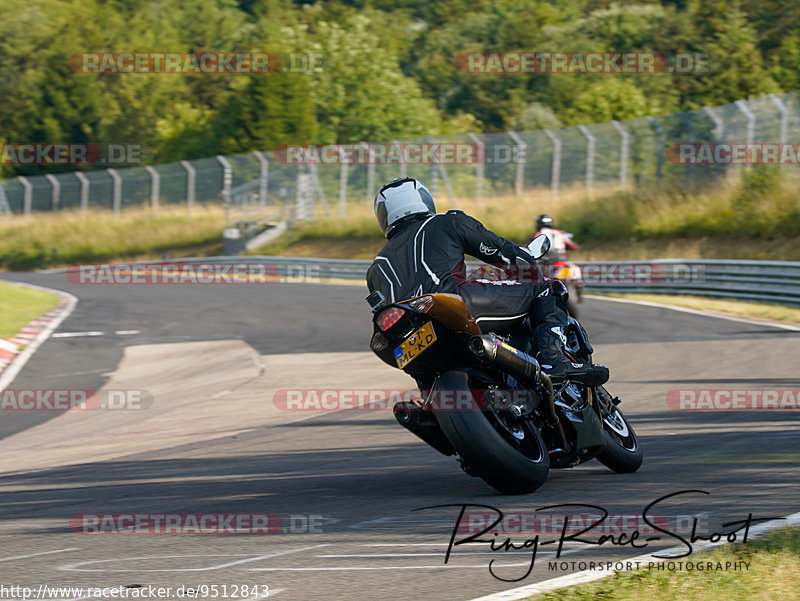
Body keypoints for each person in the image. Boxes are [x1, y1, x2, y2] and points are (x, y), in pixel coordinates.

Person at [366, 177, 607, 385]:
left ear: (383, 216)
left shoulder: (375, 269)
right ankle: (554, 360)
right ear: (424, 199)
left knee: (422, 372)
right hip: (456, 305)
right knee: (548, 288)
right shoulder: (446, 222)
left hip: (416, 335)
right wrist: (524, 262)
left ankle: (430, 401)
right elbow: (502, 251)